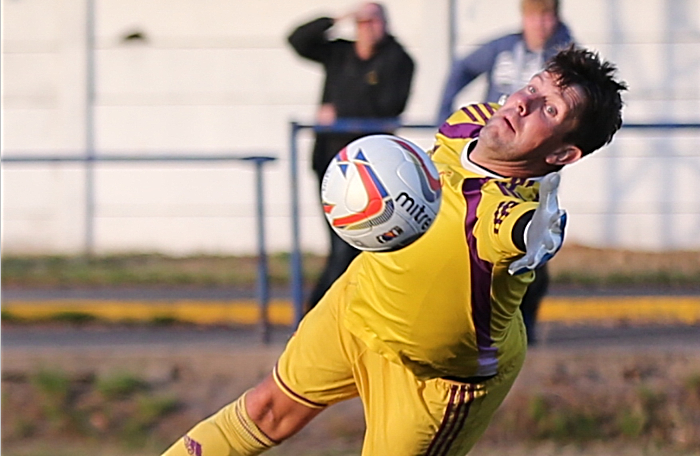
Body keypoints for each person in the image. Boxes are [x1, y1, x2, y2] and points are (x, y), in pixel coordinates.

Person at [160, 46, 627, 456]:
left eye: (549, 109)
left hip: (435, 380)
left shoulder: (505, 221)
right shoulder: (469, 122)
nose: (523, 102)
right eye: (533, 86)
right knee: (265, 410)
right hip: (358, 307)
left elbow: (533, 232)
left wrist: (542, 226)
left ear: (564, 155)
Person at [437, 0, 575, 345]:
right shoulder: (502, 48)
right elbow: (462, 68)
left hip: (533, 168)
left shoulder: (566, 57)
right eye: (533, 17)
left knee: (530, 244)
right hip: (491, 160)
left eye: (547, 17)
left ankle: (523, 326)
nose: (540, 25)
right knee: (470, 237)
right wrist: (444, 113)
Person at [287, 2, 416, 313]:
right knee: (341, 246)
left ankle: (321, 316)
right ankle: (322, 317)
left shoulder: (398, 60)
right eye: (362, 22)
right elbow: (297, 40)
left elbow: (390, 108)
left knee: (358, 247)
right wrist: (338, 17)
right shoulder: (339, 53)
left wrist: (340, 114)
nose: (368, 27)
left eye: (374, 21)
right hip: (331, 162)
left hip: (372, 169)